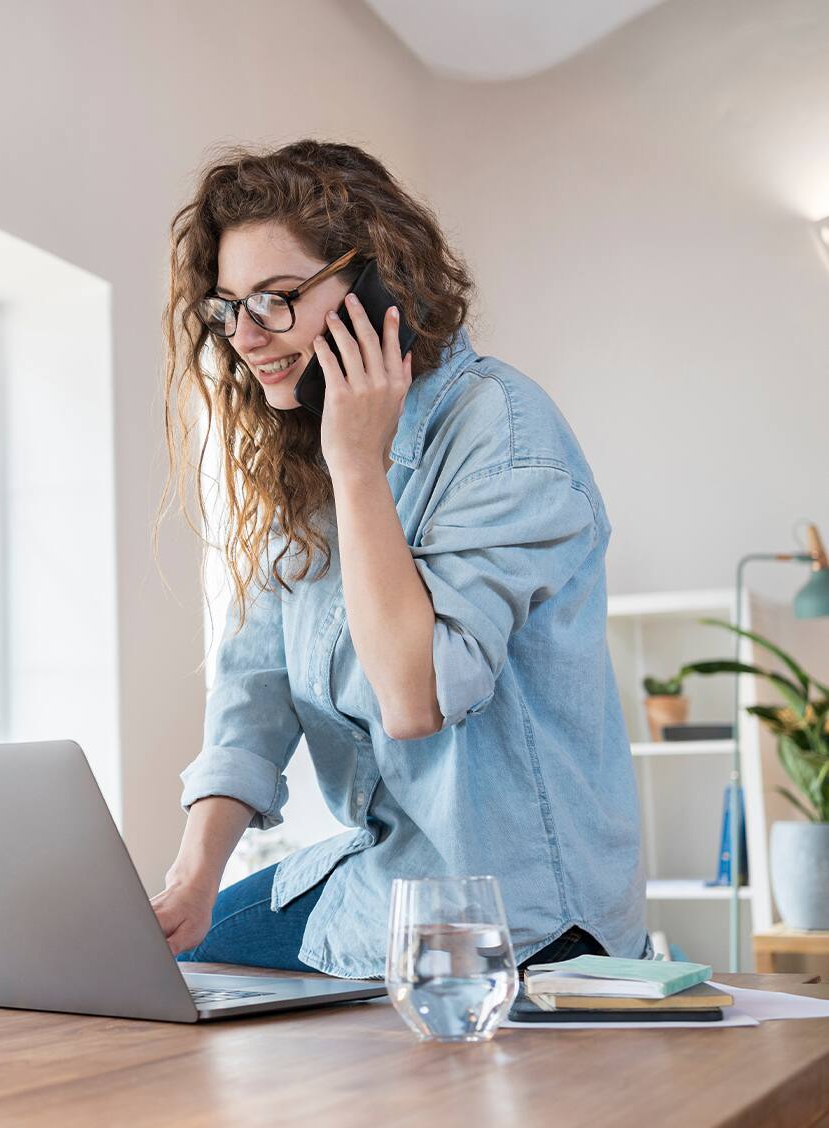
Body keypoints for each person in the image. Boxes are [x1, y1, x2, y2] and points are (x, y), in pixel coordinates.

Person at [149, 139, 651, 979]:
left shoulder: (505, 436)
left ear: (377, 287)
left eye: (276, 301)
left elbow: (415, 696)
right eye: (228, 306)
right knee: (157, 967)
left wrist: (356, 466)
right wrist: (192, 881)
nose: (244, 335)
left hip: (518, 916)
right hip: (382, 880)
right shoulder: (304, 467)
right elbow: (254, 690)